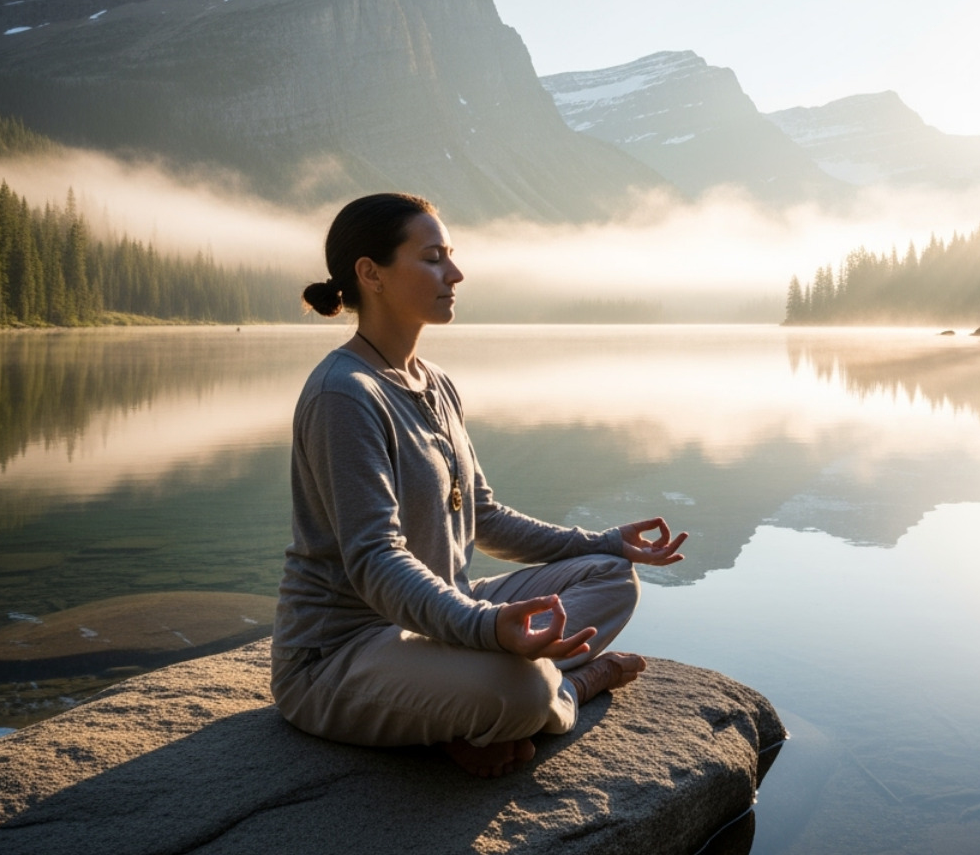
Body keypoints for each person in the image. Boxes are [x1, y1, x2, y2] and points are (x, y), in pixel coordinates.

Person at [271, 193, 687, 777]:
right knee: (521, 689)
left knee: (612, 577)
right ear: (372, 274)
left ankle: (467, 711)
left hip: (441, 614)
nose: (455, 273)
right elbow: (374, 558)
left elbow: (483, 516)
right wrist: (487, 630)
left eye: (452, 256)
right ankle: (573, 689)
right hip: (342, 653)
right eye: (434, 257)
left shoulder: (435, 384)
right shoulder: (345, 394)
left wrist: (606, 542)